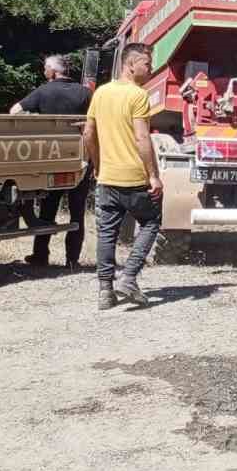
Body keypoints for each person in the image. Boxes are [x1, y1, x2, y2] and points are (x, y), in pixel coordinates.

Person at [82, 42, 163, 311]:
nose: (150, 70)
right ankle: (128, 277)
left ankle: (105, 291)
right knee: (151, 222)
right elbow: (142, 138)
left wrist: (97, 165)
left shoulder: (101, 93)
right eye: (147, 64)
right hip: (134, 178)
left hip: (107, 177)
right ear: (131, 65)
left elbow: (88, 134)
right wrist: (153, 175)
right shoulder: (138, 95)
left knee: (106, 233)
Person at [10, 56, 92, 268]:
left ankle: (40, 255)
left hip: (52, 159)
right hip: (79, 158)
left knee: (47, 209)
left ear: (53, 72)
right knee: (77, 212)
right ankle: (72, 260)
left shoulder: (43, 91)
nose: (44, 71)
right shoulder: (85, 92)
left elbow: (14, 111)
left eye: (45, 68)